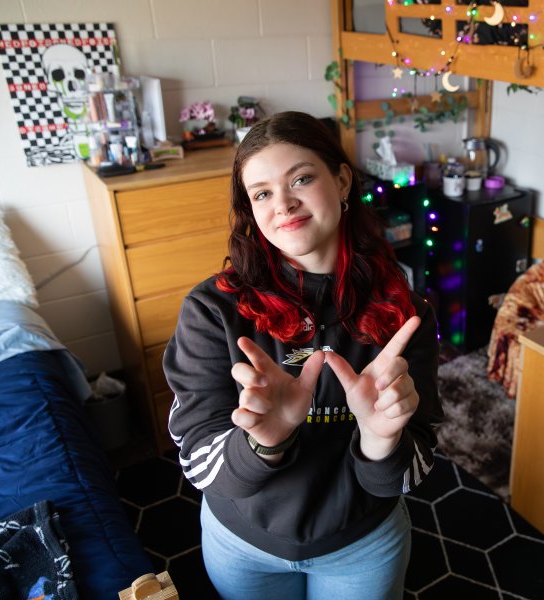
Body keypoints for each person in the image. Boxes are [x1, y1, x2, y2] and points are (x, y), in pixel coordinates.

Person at [163, 111, 442, 600]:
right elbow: (197, 460)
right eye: (262, 193)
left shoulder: (406, 311)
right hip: (244, 546)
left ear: (341, 179)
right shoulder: (212, 310)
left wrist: (381, 438)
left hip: (363, 547)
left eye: (302, 178)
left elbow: (412, 469)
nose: (284, 203)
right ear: (250, 209)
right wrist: (263, 443)